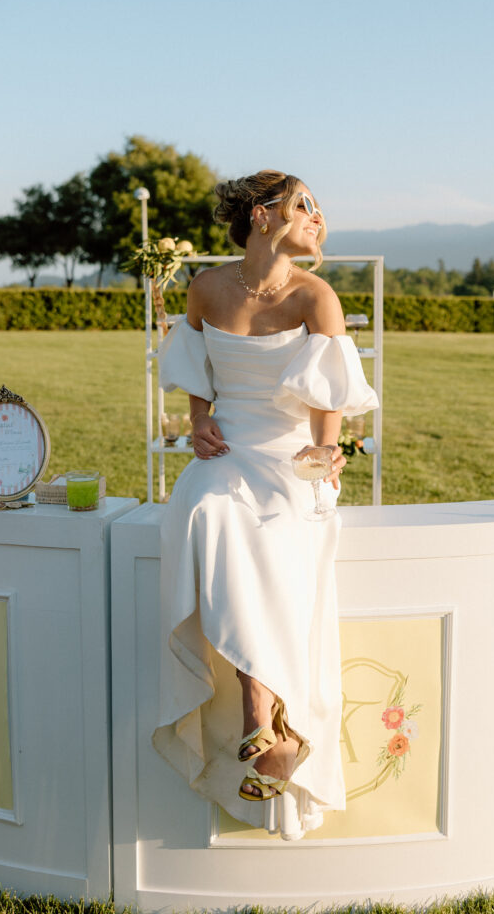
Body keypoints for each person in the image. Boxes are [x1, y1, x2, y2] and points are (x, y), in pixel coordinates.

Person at [152, 170, 378, 840]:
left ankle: (265, 719)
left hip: (289, 454)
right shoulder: (206, 287)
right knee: (206, 513)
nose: (317, 219)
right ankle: (260, 713)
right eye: (305, 205)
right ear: (261, 215)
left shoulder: (317, 296)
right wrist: (198, 422)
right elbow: (192, 365)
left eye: (319, 210)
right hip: (227, 451)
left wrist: (327, 454)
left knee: (281, 530)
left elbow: (328, 398)